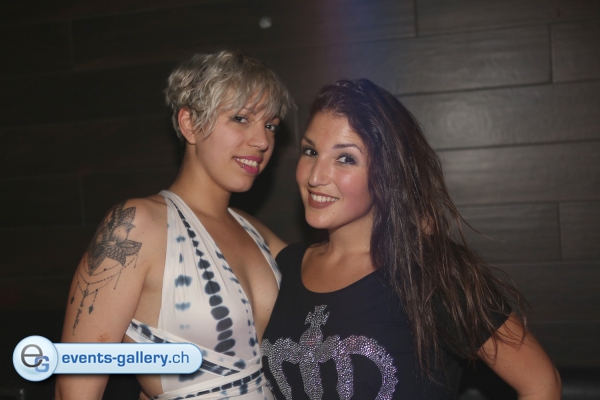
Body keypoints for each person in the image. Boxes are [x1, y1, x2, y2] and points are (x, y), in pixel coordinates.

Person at [261, 78, 561, 399]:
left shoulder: (431, 275)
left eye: (346, 158)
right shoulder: (285, 265)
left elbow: (542, 384)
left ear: (386, 172)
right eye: (310, 151)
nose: (315, 176)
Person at [55, 50, 292, 400]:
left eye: (270, 125)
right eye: (241, 118)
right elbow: (74, 390)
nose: (262, 141)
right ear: (189, 124)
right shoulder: (136, 225)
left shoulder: (256, 232)